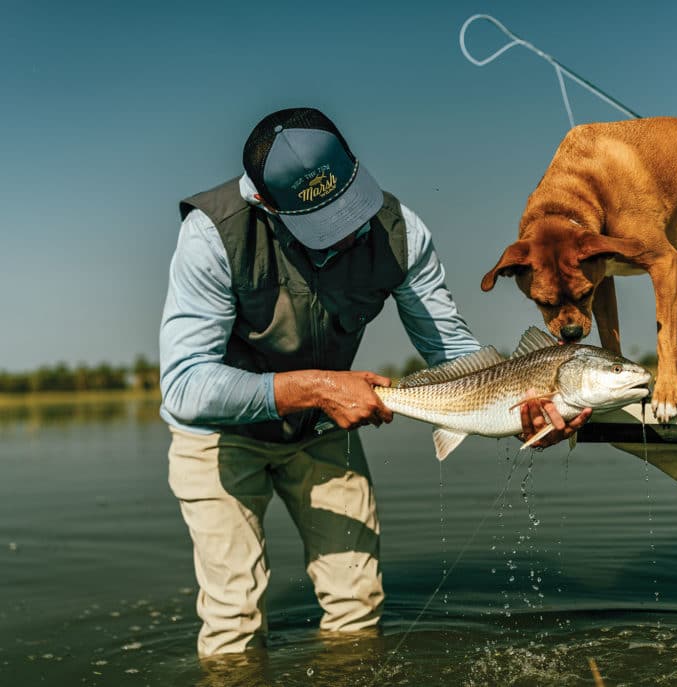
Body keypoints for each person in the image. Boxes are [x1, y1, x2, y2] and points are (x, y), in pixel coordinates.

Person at [159, 107, 590, 658]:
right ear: (264, 203)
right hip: (219, 436)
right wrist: (316, 387)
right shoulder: (211, 235)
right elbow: (185, 385)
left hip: (320, 431)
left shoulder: (402, 231)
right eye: (322, 223)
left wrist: (521, 402)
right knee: (233, 616)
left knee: (356, 602)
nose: (348, 233)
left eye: (351, 207)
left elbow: (452, 350)